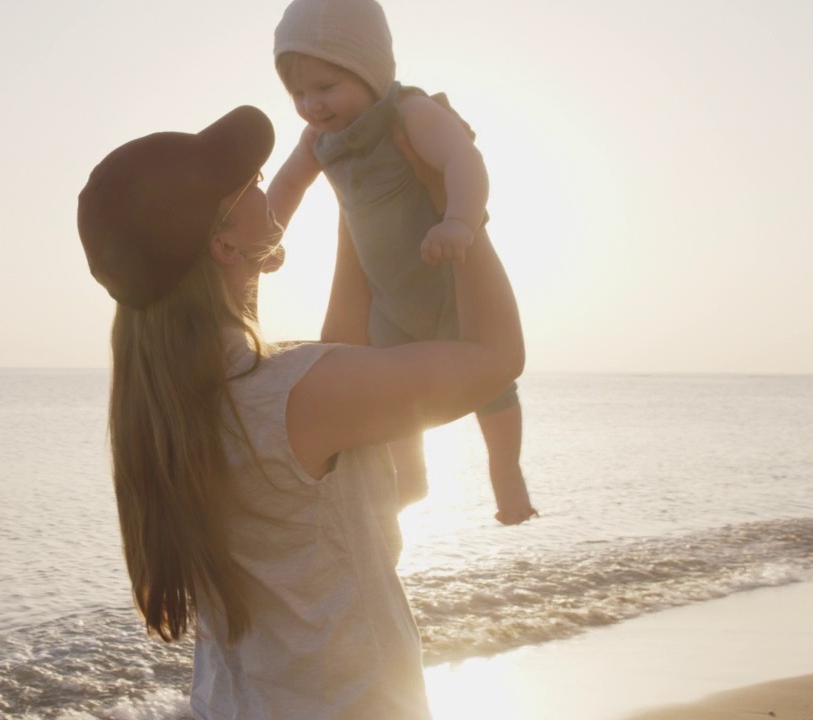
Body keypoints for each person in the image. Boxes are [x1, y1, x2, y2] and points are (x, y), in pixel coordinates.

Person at [76, 104, 523, 718]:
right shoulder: (298, 394)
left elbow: (343, 351)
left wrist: (355, 202)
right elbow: (496, 358)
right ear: (223, 243)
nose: (265, 183)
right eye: (251, 184)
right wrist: (457, 207)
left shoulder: (169, 410)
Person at [267, 0, 537, 524]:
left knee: (494, 388)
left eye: (326, 87)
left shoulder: (409, 111)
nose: (312, 105)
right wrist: (267, 239)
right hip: (387, 299)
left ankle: (506, 470)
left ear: (371, 70)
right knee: (391, 392)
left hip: (445, 282)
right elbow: (287, 186)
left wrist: (458, 221)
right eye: (298, 93)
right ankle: (410, 478)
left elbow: (463, 158)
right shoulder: (318, 140)